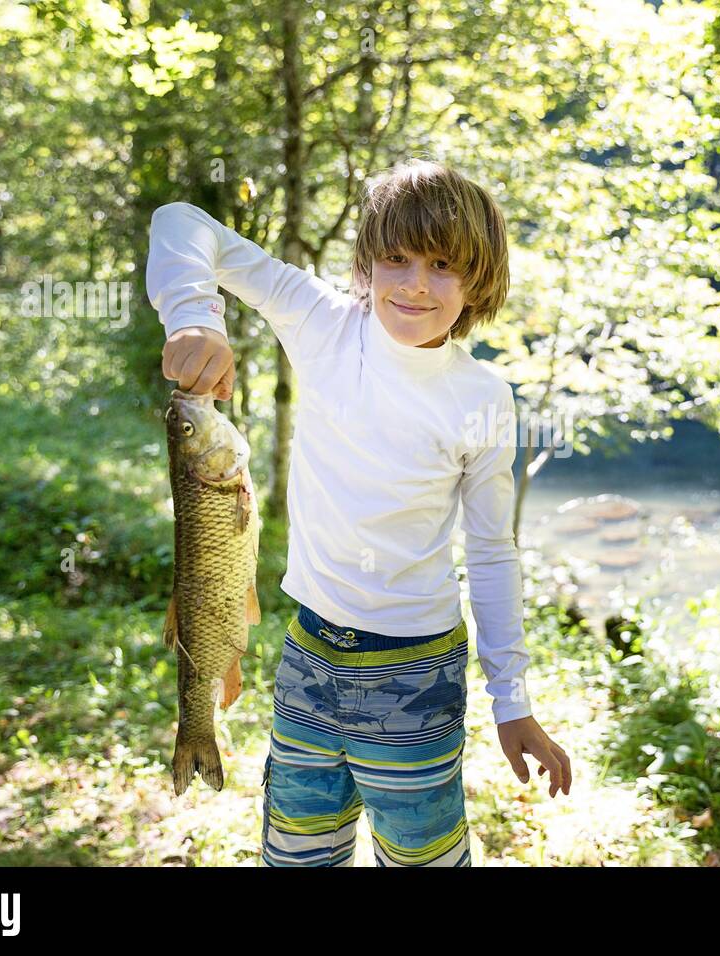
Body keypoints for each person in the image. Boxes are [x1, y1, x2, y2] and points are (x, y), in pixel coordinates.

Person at [146, 159, 570, 866]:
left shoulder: (484, 399)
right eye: (395, 258)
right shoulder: (320, 320)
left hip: (416, 676)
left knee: (422, 859)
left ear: (478, 279)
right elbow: (180, 224)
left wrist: (512, 698)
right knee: (298, 857)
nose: (414, 284)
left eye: (442, 265)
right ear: (367, 265)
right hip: (307, 660)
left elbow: (493, 552)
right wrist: (195, 318)